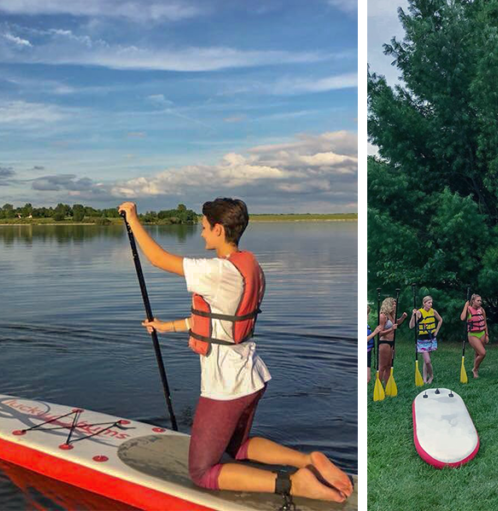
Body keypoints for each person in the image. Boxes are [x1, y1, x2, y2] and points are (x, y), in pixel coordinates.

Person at [118, 199, 351, 503]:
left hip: (225, 386)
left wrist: (133, 219)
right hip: (251, 376)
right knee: (235, 447)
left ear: (218, 229)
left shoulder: (217, 270)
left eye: (203, 228)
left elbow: (159, 259)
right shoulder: (249, 265)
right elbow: (219, 320)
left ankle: (293, 483)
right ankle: (307, 460)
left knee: (202, 471)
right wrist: (167, 326)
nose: (201, 234)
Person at [410, 295, 442, 384]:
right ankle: (431, 375)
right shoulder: (419, 313)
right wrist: (413, 315)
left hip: (431, 339)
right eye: (429, 303)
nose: (430, 304)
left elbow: (440, 320)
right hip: (422, 340)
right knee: (427, 361)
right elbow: (411, 326)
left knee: (426, 361)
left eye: (431, 302)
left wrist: (436, 331)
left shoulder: (433, 311)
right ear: (424, 303)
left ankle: (425, 379)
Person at [375, 297, 407, 385]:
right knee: (382, 366)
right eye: (393, 304)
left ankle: (387, 386)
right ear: (388, 304)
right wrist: (391, 329)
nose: (395, 305)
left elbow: (396, 323)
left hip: (392, 343)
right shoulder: (383, 316)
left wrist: (403, 318)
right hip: (384, 343)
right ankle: (378, 386)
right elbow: (379, 333)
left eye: (395, 304)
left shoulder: (392, 315)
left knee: (389, 366)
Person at [460, 294, 488, 379]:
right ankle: (475, 369)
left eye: (480, 301)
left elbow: (485, 322)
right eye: (478, 300)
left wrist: (487, 334)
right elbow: (462, 318)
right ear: (473, 301)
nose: (480, 302)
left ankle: (476, 370)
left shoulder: (482, 310)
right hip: (473, 334)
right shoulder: (468, 309)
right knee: (483, 353)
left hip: (482, 333)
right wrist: (465, 306)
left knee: (478, 353)